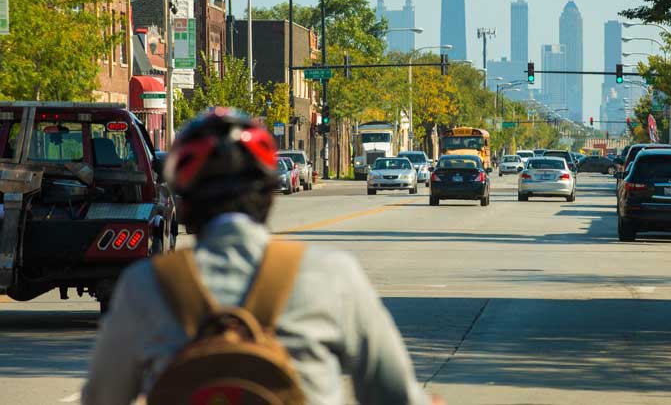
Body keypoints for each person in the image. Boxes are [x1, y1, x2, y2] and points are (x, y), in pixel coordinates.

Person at [82, 108, 442, 405]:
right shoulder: (331, 275)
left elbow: (102, 398)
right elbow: (394, 395)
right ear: (271, 196)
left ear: (184, 204)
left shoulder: (145, 285)